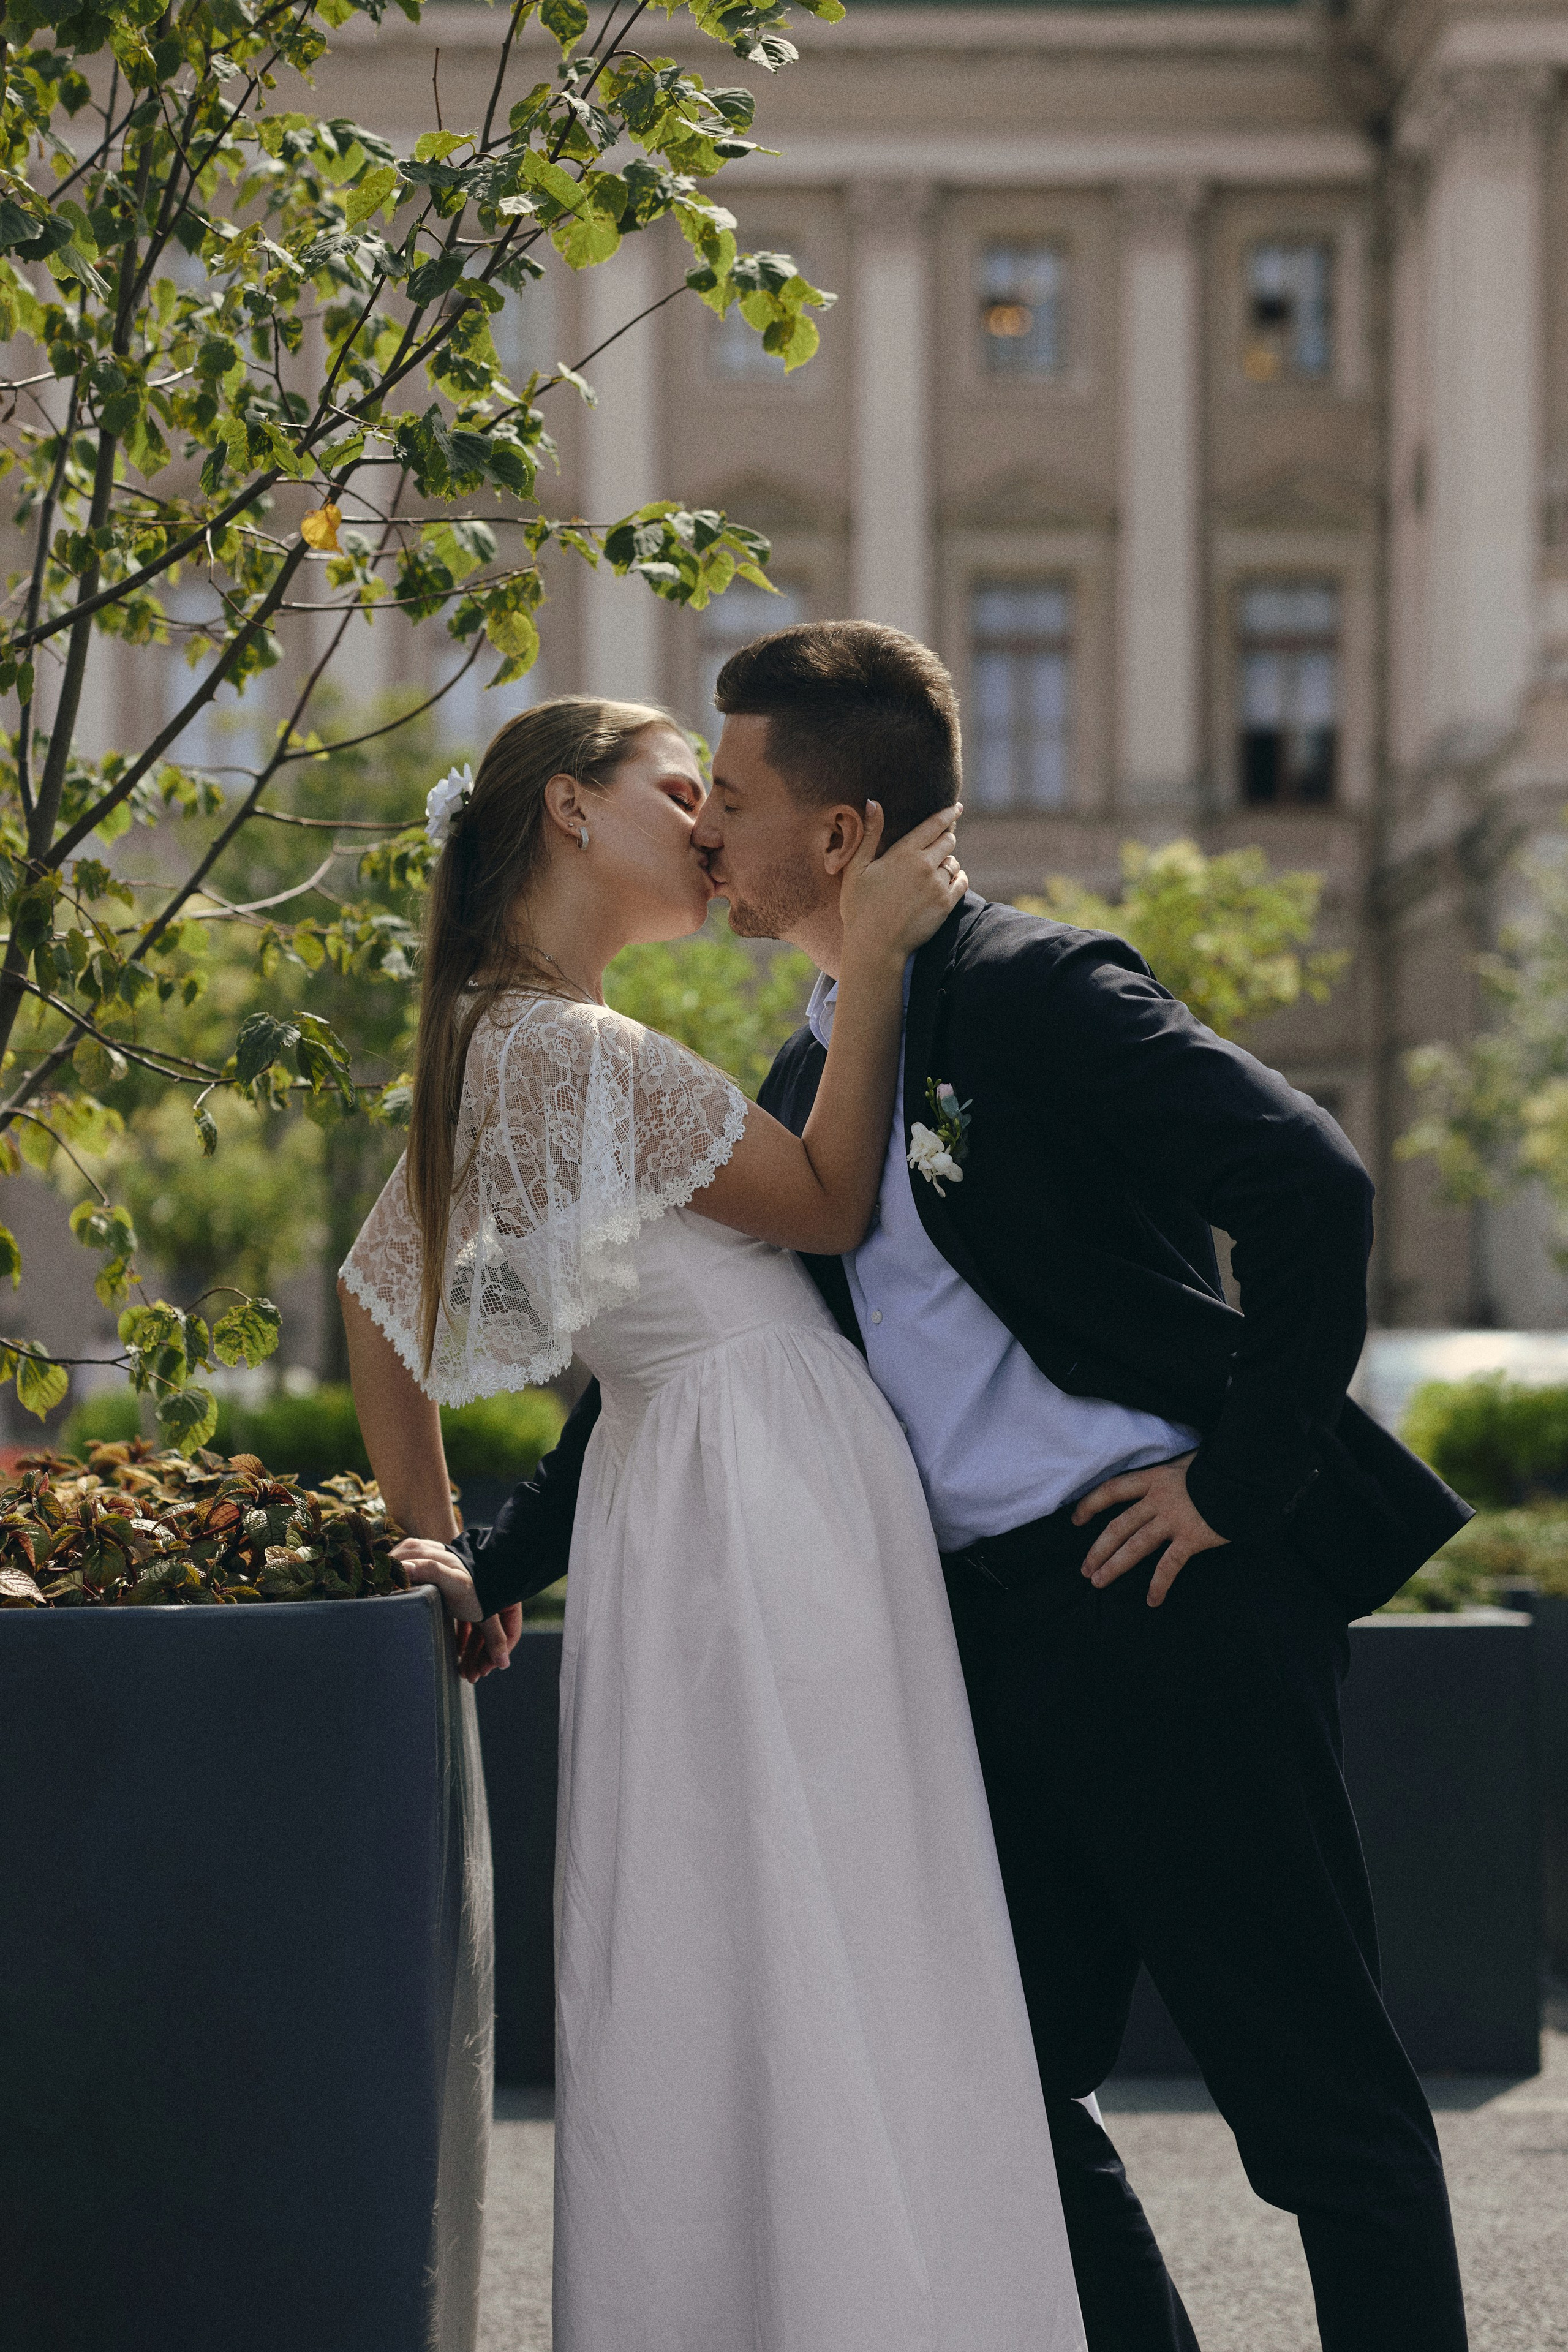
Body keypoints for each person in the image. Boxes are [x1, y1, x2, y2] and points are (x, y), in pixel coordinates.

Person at [462, 627, 1476, 2352]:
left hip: (1175, 1612)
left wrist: (1239, 1489)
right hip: (978, 1659)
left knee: (1318, 2116)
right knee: (1001, 2096)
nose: (707, 832)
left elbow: (1313, 1186)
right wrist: (500, 1565)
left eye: (743, 796)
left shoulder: (1034, 990)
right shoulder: (811, 1083)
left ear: (843, 839)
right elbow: (678, 1361)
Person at [337, 695, 1088, 2352]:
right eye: (676, 787)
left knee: (743, 1930)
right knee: (831, 1924)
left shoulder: (497, 1037)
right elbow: (827, 1199)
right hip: (763, 1506)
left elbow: (373, 1306)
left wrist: (449, 1541)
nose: (705, 820)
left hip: (702, 1503)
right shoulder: (572, 1047)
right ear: (567, 816)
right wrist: (878, 955)